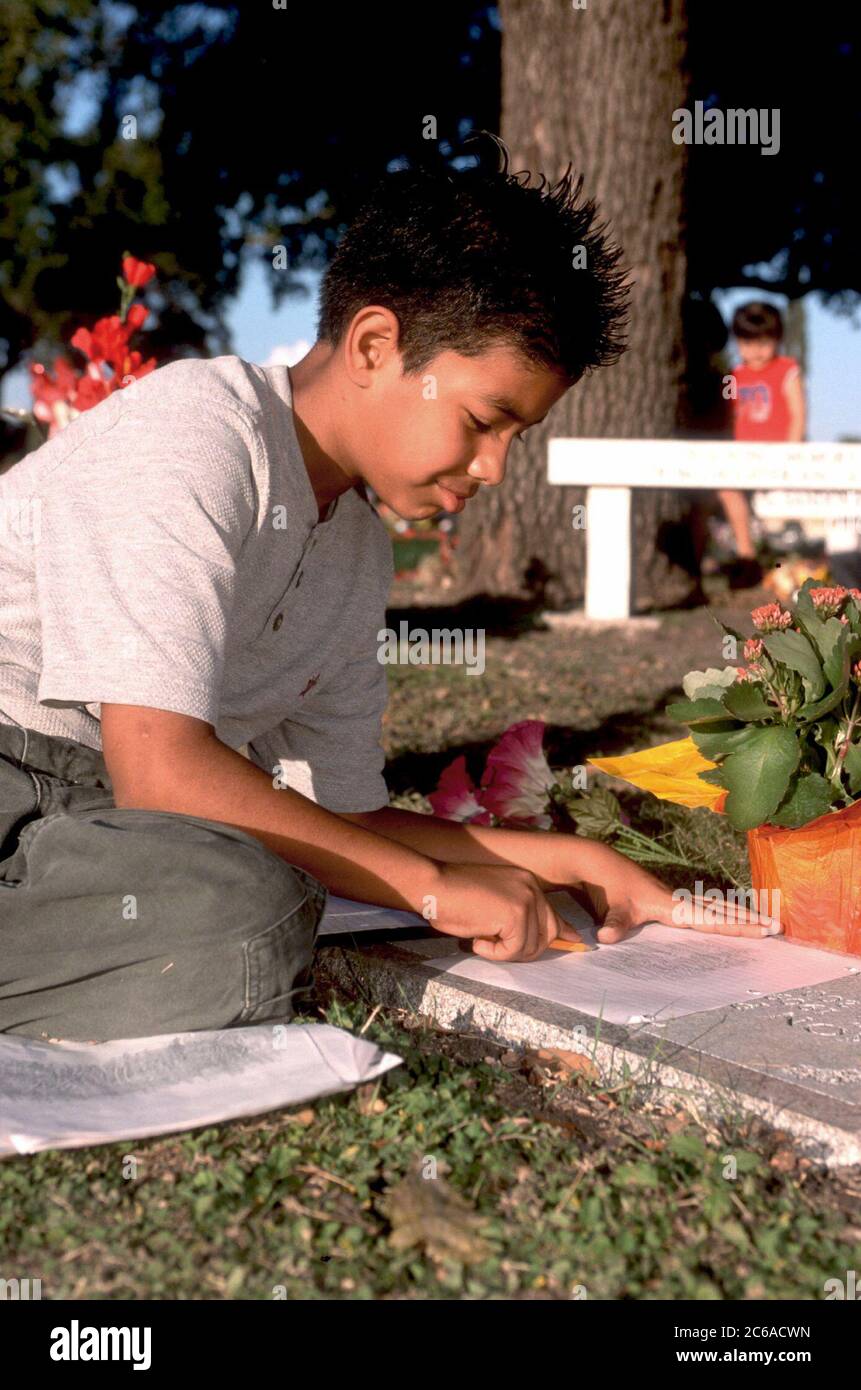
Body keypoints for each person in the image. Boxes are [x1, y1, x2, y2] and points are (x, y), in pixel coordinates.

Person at [0, 146, 774, 1042]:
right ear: (375, 345)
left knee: (243, 905)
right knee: (248, 911)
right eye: (484, 422)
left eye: (515, 438)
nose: (493, 468)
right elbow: (161, 768)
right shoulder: (197, 434)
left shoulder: (357, 548)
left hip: (96, 834)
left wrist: (579, 859)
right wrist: (432, 888)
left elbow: (342, 817)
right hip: (19, 778)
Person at [719, 300, 805, 587]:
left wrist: (790, 453)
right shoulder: (735, 375)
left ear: (777, 340)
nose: (755, 350)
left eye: (763, 342)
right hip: (745, 454)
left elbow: (797, 413)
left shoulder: (786, 369)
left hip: (779, 453)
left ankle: (800, 566)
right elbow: (729, 417)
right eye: (747, 342)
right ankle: (746, 555)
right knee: (726, 489)